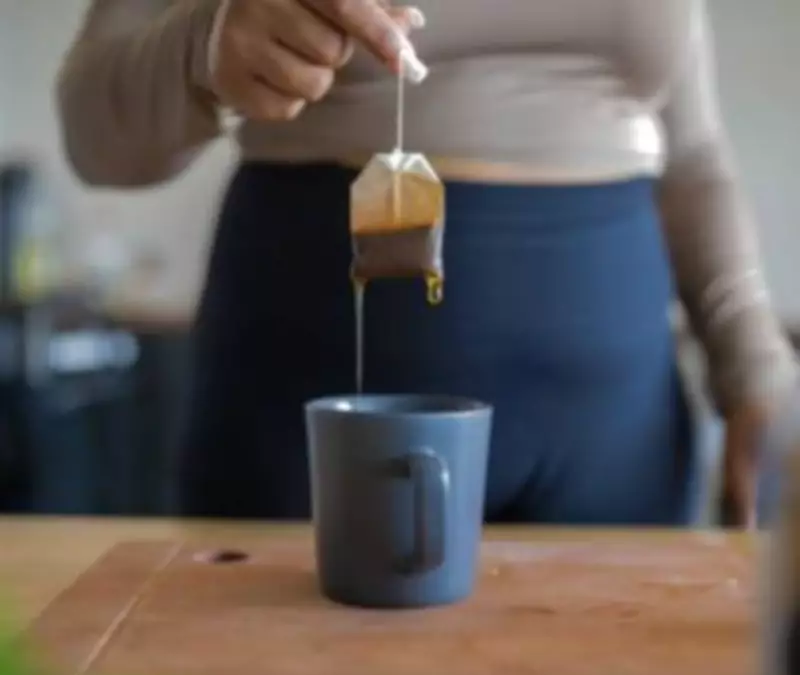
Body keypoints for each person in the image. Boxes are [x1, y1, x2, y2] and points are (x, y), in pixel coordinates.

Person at [56, 0, 797, 527]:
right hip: (307, 406)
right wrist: (203, 46)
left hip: (619, 430)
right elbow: (94, 134)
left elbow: (693, 155)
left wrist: (760, 374)